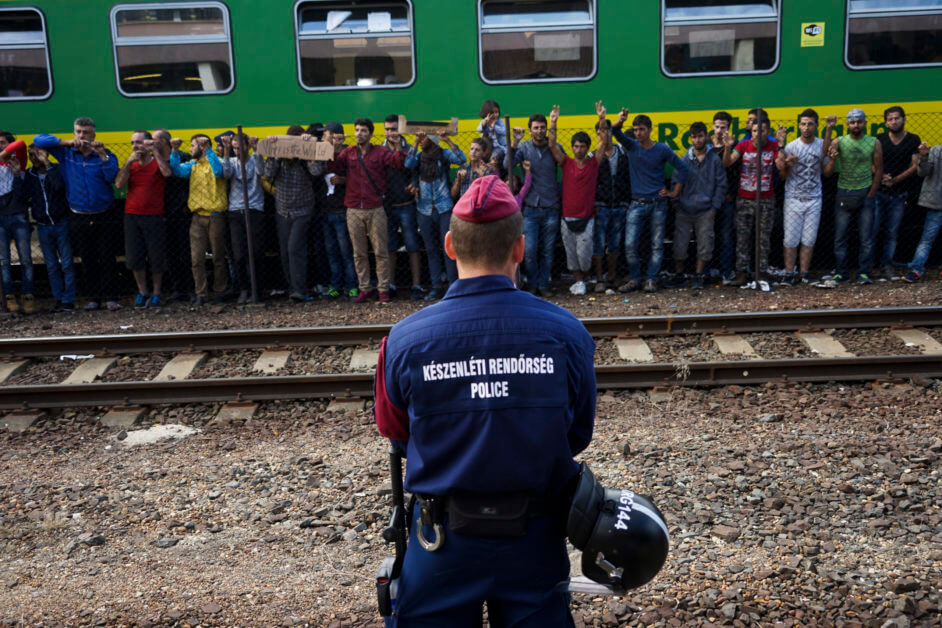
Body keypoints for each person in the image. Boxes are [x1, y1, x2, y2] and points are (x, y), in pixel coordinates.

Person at [374, 174, 595, 624]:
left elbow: (396, 433)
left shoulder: (404, 340)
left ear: (451, 246)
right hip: (534, 539)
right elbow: (576, 433)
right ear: (520, 248)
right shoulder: (566, 333)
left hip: (440, 543)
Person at [34, 117, 120, 311]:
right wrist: (66, 142)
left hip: (104, 214)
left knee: (107, 258)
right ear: (74, 133)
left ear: (94, 134)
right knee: (87, 259)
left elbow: (111, 177)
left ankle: (111, 298)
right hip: (78, 215)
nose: (82, 136)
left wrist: (102, 155)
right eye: (78, 132)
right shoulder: (66, 153)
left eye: (86, 132)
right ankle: (93, 299)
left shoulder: (106, 154)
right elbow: (39, 140)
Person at [331, 117, 408, 304]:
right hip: (354, 208)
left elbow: (398, 164)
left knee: (381, 251)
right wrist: (333, 147)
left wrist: (398, 147)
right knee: (359, 253)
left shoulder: (380, 152)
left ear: (371, 134)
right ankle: (364, 289)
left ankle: (383, 290)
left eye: (363, 130)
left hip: (376, 208)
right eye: (357, 130)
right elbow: (333, 167)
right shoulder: (348, 153)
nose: (359, 133)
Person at [612, 109, 689, 293]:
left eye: (642, 129)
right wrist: (620, 121)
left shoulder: (662, 149)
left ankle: (651, 279)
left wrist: (673, 192)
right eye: (636, 129)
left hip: (658, 203)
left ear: (650, 130)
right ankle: (636, 278)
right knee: (630, 244)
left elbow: (683, 167)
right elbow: (614, 132)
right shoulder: (632, 146)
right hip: (637, 202)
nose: (638, 133)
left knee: (657, 245)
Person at [547, 102, 610, 296]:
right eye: (576, 146)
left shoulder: (594, 163)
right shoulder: (566, 162)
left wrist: (601, 119)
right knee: (571, 255)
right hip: (567, 218)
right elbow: (551, 144)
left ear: (587, 148)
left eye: (582, 146)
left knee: (584, 256)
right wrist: (553, 122)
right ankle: (579, 282)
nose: (579, 149)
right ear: (572, 147)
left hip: (587, 218)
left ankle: (585, 277)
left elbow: (604, 142)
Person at [263, 126, 326, 303]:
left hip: (303, 210)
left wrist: (307, 150)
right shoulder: (280, 159)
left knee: (294, 249)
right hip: (282, 210)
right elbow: (267, 173)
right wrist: (275, 151)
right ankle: (293, 288)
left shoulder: (304, 159)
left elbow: (316, 171)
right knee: (284, 252)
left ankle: (300, 289)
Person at [822, 108, 883, 286]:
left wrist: (872, 193)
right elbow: (825, 152)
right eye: (852, 122)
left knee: (866, 238)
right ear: (847, 124)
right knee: (840, 238)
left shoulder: (874, 142)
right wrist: (828, 129)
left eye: (859, 121)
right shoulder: (840, 140)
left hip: (865, 192)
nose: (856, 125)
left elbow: (879, 169)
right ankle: (841, 273)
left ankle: (864, 273)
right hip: (844, 192)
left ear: (864, 123)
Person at [404, 131, 466, 299]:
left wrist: (448, 141)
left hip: (444, 206)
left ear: (432, 139)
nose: (421, 140)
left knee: (448, 248)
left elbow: (461, 159)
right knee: (431, 249)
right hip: (424, 209)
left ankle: (454, 286)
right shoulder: (418, 155)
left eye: (424, 138)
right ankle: (436, 286)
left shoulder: (443, 154)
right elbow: (408, 164)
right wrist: (416, 142)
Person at [507, 113, 563, 296]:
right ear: (530, 130)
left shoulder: (555, 147)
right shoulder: (523, 147)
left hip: (551, 206)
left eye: (542, 127)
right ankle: (532, 284)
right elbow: (506, 165)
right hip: (530, 208)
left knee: (547, 252)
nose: (539, 131)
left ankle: (543, 286)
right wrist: (515, 142)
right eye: (536, 128)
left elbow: (567, 165)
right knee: (529, 251)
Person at [170, 133, 229, 306]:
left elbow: (219, 172)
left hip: (216, 217)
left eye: (193, 145)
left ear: (202, 147)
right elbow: (176, 170)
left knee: (218, 257)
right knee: (196, 259)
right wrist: (174, 151)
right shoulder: (192, 166)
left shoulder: (216, 161)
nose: (190, 149)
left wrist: (208, 150)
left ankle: (219, 290)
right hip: (197, 217)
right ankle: (201, 293)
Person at [114, 130, 172, 309]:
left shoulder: (157, 161)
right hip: (132, 215)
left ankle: (156, 293)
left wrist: (155, 151)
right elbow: (119, 184)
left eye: (139, 142)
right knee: (134, 256)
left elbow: (167, 173)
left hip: (154, 216)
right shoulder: (130, 165)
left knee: (156, 257)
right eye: (133, 143)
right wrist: (129, 161)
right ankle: (142, 291)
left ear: (148, 143)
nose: (135, 146)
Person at [776, 110, 834, 285]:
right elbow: (782, 176)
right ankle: (788, 273)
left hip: (815, 197)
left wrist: (831, 160)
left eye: (810, 124)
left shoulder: (823, 145)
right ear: (799, 126)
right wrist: (788, 165)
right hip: (793, 198)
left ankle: (804, 274)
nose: (806, 127)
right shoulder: (791, 147)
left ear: (816, 125)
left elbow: (827, 173)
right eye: (803, 124)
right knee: (790, 239)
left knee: (809, 238)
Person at [722, 113, 781, 285]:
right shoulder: (742, 145)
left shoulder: (774, 145)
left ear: (767, 131)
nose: (757, 134)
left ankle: (761, 272)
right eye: (754, 130)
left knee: (763, 238)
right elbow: (727, 163)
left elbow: (781, 165)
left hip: (766, 199)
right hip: (744, 199)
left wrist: (782, 148)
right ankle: (741, 273)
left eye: (761, 131)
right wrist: (727, 148)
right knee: (742, 237)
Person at [668, 122, 726, 290]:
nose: (697, 140)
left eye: (700, 136)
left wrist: (714, 208)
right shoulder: (684, 160)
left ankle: (699, 276)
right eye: (694, 137)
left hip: (706, 210)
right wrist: (677, 206)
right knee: (679, 244)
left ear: (705, 136)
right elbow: (675, 183)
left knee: (705, 244)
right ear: (690, 138)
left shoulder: (714, 160)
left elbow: (721, 185)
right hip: (684, 210)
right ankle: (680, 275)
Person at [23, 144, 75, 312]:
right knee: (52, 265)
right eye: (31, 155)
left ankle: (69, 299)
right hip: (44, 225)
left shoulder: (57, 169)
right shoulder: (31, 175)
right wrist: (18, 174)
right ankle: (58, 298)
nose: (34, 158)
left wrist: (48, 166)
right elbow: (25, 196)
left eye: (38, 154)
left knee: (67, 263)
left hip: (61, 223)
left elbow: (59, 187)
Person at [873, 106, 921, 278]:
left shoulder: (913, 139)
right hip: (878, 191)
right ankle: (868, 267)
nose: (894, 121)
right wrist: (881, 176)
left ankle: (887, 265)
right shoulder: (879, 139)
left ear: (904, 119)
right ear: (886, 122)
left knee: (891, 232)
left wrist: (895, 180)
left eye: (897, 118)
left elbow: (915, 166)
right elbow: (872, 162)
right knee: (872, 229)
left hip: (900, 193)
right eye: (890, 119)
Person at [382, 115, 424, 300]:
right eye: (388, 129)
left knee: (412, 245)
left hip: (407, 204)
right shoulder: (381, 151)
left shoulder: (410, 149)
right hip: (388, 206)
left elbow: (416, 172)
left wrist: (414, 183)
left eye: (394, 129)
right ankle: (390, 285)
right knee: (390, 246)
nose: (391, 132)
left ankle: (416, 285)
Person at [221, 132, 265, 304]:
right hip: (236, 211)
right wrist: (226, 152)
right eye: (234, 148)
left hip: (254, 209)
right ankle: (244, 289)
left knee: (256, 253)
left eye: (240, 148)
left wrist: (257, 149)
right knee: (239, 255)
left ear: (247, 146)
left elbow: (262, 171)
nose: (237, 152)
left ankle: (257, 290)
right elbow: (225, 174)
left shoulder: (254, 160)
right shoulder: (232, 162)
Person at [590, 118, 630, 294]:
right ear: (597, 134)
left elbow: (628, 178)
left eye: (607, 131)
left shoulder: (623, 153)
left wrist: (626, 201)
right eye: (601, 131)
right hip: (601, 205)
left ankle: (612, 277)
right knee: (598, 244)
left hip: (619, 205)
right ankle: (600, 279)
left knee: (614, 244)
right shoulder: (593, 156)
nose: (605, 134)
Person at [319, 122, 358, 299]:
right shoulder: (321, 154)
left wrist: (344, 180)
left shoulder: (349, 153)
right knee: (332, 252)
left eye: (328, 135)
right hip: (326, 211)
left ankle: (352, 285)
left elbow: (359, 177)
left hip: (342, 210)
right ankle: (336, 285)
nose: (325, 139)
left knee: (346, 252)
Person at [0, 132, 32, 313]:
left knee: (26, 259)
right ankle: (9, 298)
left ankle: (28, 296)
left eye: (2, 143)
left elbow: (20, 143)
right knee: (4, 261)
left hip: (18, 215)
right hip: (0, 218)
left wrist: (17, 173)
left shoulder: (16, 162)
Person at [903, 141, 942, 283]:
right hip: (937, 203)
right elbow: (922, 172)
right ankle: (916, 270)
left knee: (927, 239)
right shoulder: (937, 151)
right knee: (927, 239)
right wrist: (924, 157)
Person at [710, 112, 739, 284]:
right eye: (717, 126)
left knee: (726, 237)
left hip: (727, 199)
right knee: (708, 236)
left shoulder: (735, 147)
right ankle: (708, 271)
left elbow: (731, 171)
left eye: (723, 127)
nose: (720, 130)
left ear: (729, 128)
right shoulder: (705, 144)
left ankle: (726, 271)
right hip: (709, 199)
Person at [477, 99, 507, 166]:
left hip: (499, 147)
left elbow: (504, 132)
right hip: (486, 147)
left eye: (496, 112)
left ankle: (494, 173)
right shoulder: (484, 121)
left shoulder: (499, 122)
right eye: (492, 113)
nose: (495, 115)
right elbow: (479, 129)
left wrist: (494, 127)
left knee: (493, 158)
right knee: (478, 157)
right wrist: (484, 123)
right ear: (486, 113)